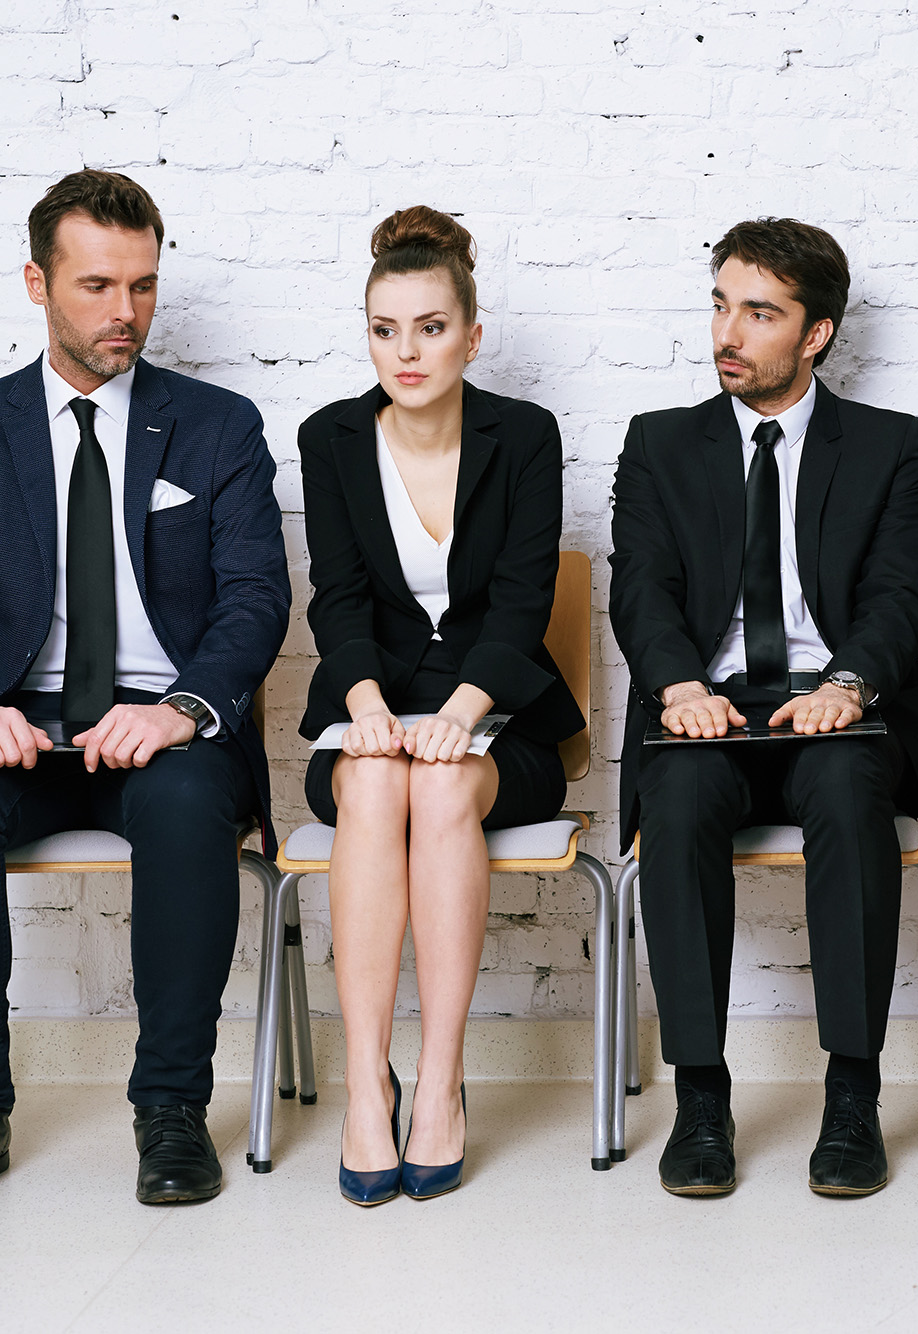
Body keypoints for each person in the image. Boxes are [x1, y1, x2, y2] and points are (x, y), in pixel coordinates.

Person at [0, 170, 291, 1207]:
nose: (127, 313)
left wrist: (179, 709)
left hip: (164, 728)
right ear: (38, 282)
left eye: (145, 286)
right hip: (20, 725)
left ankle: (170, 1110)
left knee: (187, 800)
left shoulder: (215, 424)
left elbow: (253, 600)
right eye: (99, 286)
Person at [609, 218, 918, 1199]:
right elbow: (640, 590)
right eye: (722, 303)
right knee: (675, 806)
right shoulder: (659, 442)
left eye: (759, 312)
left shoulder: (888, 445)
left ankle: (851, 1095)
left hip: (834, 702)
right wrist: (680, 687)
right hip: (700, 703)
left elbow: (900, 594)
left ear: (814, 333)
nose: (729, 330)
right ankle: (701, 1095)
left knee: (849, 795)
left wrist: (845, 686)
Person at [297, 206, 584, 1206]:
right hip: (370, 716)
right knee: (376, 783)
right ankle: (367, 1087)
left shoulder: (523, 435)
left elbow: (520, 602)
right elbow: (334, 597)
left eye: (428, 327)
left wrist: (462, 709)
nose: (405, 351)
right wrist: (367, 703)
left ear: (469, 328)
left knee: (444, 779)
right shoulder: (329, 438)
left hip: (502, 723)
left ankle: (440, 1081)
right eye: (384, 328)